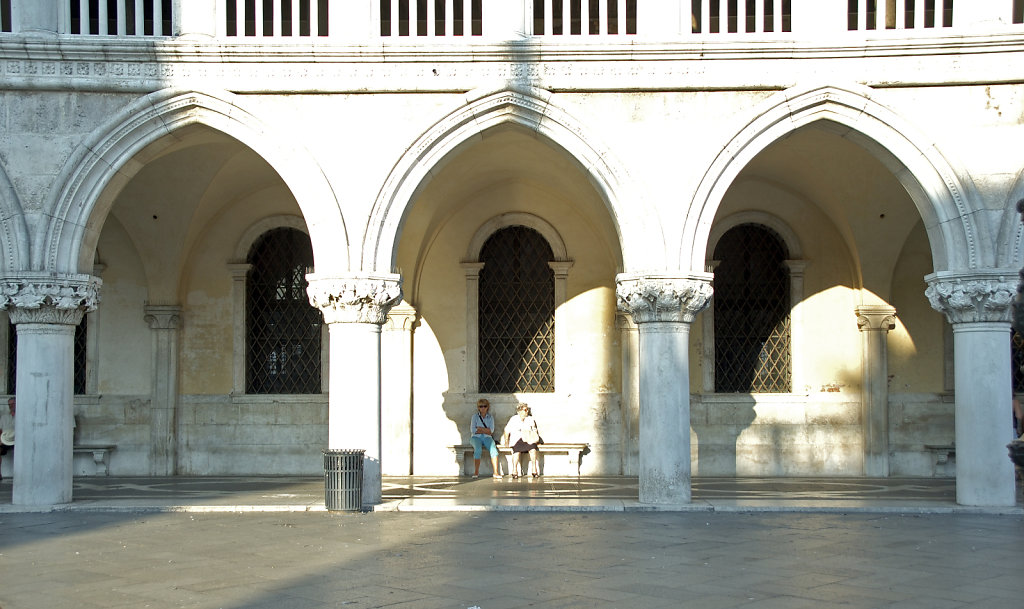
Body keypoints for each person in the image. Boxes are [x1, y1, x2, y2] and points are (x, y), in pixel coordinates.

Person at [503, 403, 541, 478]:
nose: (527, 412)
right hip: (517, 439)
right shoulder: (514, 419)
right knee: (516, 451)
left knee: (533, 449)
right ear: (519, 411)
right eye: (525, 410)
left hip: (528, 439)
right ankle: (514, 471)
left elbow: (534, 430)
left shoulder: (530, 419)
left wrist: (536, 439)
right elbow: (506, 430)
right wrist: (506, 441)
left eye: (527, 410)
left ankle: (534, 469)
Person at [469, 398, 500, 479]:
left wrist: (480, 428)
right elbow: (473, 430)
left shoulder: (490, 417)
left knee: (493, 450)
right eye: (481, 406)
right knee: (478, 450)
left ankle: (496, 472)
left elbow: (491, 431)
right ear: (478, 407)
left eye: (484, 406)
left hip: (487, 437)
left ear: (487, 407)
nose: (483, 408)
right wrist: (485, 430)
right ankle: (476, 472)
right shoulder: (474, 417)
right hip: (476, 437)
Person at [0, 397, 14, 481]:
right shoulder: (4, 417)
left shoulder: (21, 416)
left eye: (13, 404)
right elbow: (0, 430)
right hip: (5, 440)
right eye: (10, 404)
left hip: (17, 440)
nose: (11, 406)